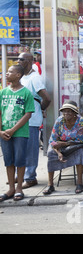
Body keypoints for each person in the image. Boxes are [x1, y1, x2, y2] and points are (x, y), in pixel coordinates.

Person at [0, 65, 34, 202]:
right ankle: (11, 188)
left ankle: (19, 188)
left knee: (20, 161)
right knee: (8, 161)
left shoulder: (26, 93)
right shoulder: (3, 93)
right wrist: (1, 131)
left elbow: (28, 114)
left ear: (18, 75)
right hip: (4, 133)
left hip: (20, 133)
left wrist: (13, 130)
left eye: (10, 72)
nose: (7, 74)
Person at [17, 52, 51, 189]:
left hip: (31, 120)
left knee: (30, 150)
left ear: (30, 61)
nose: (18, 61)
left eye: (21, 59)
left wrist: (40, 110)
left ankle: (30, 177)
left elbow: (46, 98)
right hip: (21, 120)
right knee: (21, 149)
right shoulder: (22, 77)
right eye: (18, 59)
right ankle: (21, 175)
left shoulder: (34, 78)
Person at [42, 101, 83, 195]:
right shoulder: (59, 121)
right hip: (60, 145)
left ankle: (80, 183)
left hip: (76, 145)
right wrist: (59, 152)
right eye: (64, 111)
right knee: (51, 153)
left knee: (79, 153)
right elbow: (53, 140)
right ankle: (50, 185)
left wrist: (65, 144)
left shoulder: (81, 122)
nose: (66, 114)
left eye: (69, 111)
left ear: (74, 113)